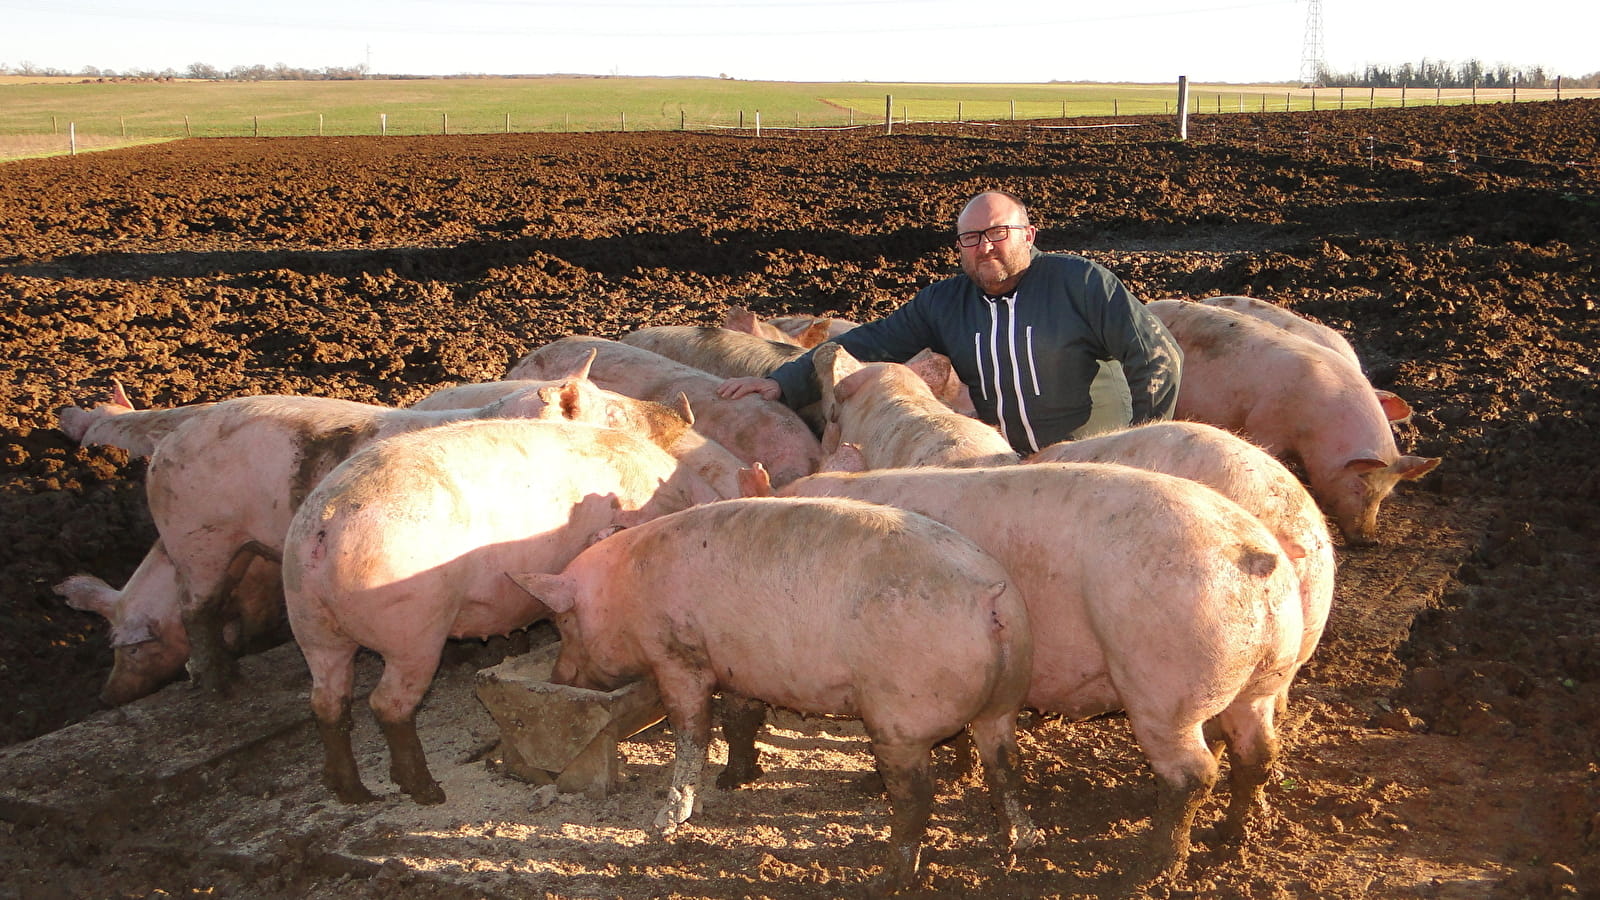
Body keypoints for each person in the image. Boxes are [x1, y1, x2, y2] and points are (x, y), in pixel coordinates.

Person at [716, 190, 1182, 454]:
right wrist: (783, 382)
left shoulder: (1079, 283)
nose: (985, 247)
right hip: (1013, 466)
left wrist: (1140, 446)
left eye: (998, 233)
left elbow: (1158, 357)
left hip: (1096, 460)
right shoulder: (945, 303)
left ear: (1028, 235)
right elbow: (870, 341)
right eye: (971, 238)